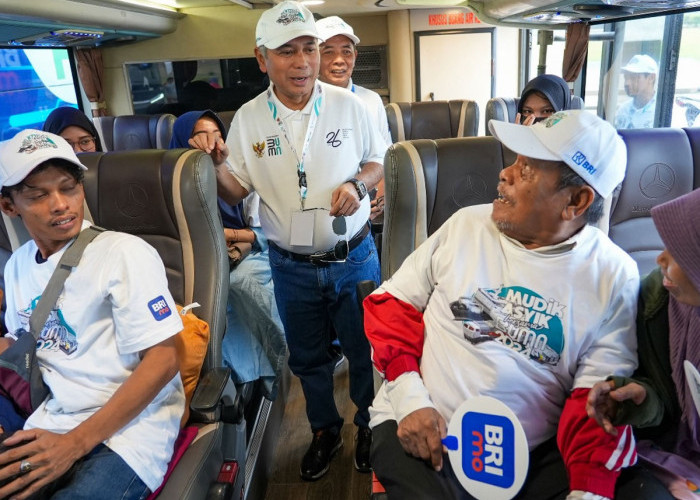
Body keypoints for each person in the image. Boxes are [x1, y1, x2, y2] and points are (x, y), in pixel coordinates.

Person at [364, 110, 671, 499]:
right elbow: (390, 305)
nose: (505, 174)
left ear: (576, 201)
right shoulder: (466, 226)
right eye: (515, 161)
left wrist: (586, 491)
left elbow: (595, 400)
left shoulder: (613, 274)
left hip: (535, 454)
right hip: (427, 425)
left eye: (527, 170)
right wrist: (410, 400)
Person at [212, 1, 384, 481]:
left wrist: (359, 186)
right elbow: (236, 188)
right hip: (289, 265)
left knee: (365, 352)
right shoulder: (248, 119)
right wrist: (219, 164)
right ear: (262, 58)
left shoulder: (352, 106)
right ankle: (325, 430)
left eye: (309, 48)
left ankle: (370, 424)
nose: (303, 62)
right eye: (287, 51)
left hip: (353, 257)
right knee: (308, 359)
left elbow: (377, 161)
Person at [0, 129, 184, 499]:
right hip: (54, 416)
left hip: (132, 429)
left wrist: (75, 444)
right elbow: (21, 341)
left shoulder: (122, 253)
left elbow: (166, 357)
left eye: (68, 188)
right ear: (9, 206)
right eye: (38, 195)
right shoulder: (18, 265)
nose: (60, 205)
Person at [587, 188, 700, 499]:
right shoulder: (656, 299)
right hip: (675, 453)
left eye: (678, 254)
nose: (659, 259)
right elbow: (664, 401)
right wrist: (639, 396)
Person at [169, 110, 286, 399]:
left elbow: (261, 233)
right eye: (201, 137)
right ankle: (231, 383)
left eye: (217, 136)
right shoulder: (168, 183)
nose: (211, 144)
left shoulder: (238, 177)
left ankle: (280, 366)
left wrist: (231, 239)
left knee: (240, 284)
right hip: (192, 261)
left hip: (249, 253)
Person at [316, 15, 391, 221]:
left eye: (346, 52)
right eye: (328, 52)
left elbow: (385, 156)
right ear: (314, 56)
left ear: (355, 56)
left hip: (367, 203)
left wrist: (380, 200)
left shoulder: (372, 100)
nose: (339, 60)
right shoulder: (303, 103)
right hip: (323, 208)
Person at [614, 54, 658, 130]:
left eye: (634, 78)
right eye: (626, 78)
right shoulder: (623, 110)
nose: (627, 83)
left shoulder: (661, 112)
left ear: (651, 78)